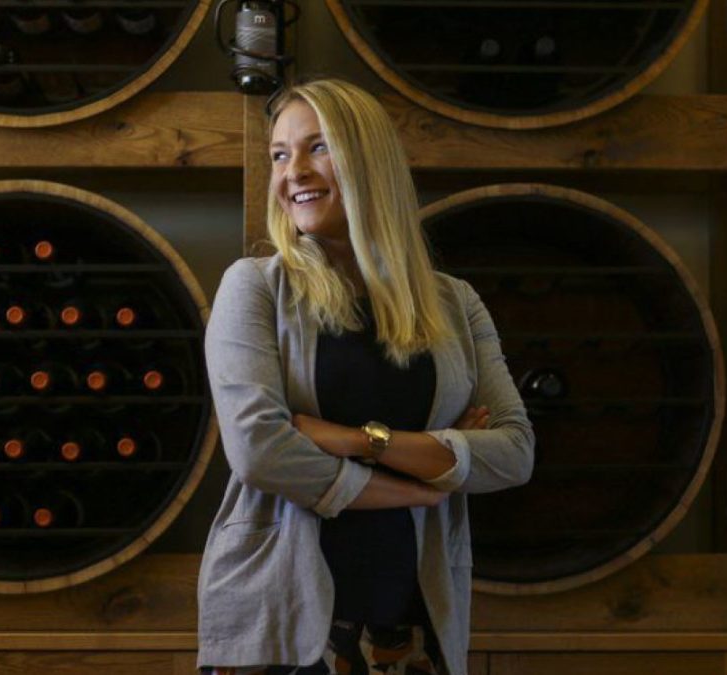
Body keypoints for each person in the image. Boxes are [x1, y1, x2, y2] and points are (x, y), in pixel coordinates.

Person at [198, 78, 534, 675]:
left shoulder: (455, 303)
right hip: (279, 621)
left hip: (412, 619)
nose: (292, 171)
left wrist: (354, 439)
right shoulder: (253, 287)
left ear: (370, 163)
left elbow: (513, 452)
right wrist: (421, 483)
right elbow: (257, 450)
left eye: (317, 148)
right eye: (280, 154)